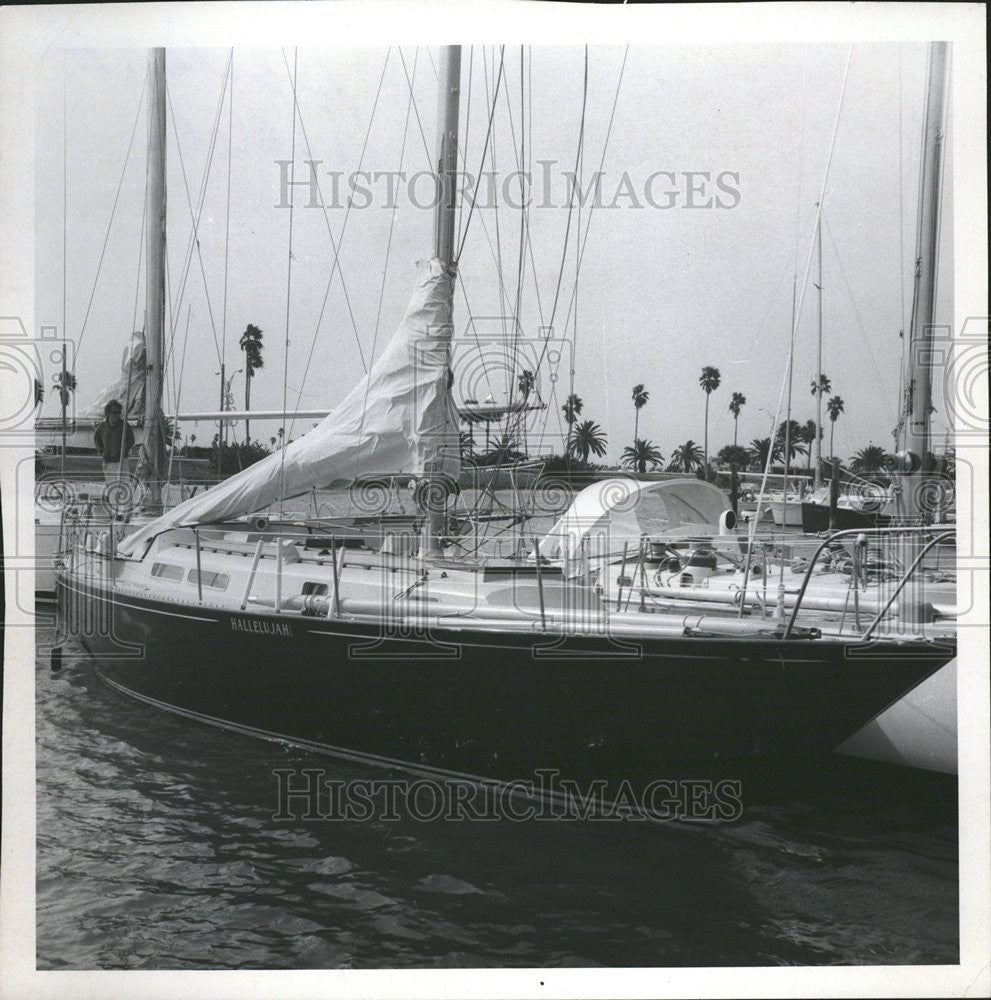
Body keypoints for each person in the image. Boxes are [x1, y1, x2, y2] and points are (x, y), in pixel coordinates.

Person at [93, 399, 135, 483]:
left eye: (119, 413)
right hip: (108, 462)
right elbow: (96, 439)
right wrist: (101, 451)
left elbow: (131, 440)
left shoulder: (124, 425)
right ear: (108, 412)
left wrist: (124, 449)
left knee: (124, 486)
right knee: (112, 486)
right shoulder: (102, 427)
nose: (117, 415)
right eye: (115, 412)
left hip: (122, 460)